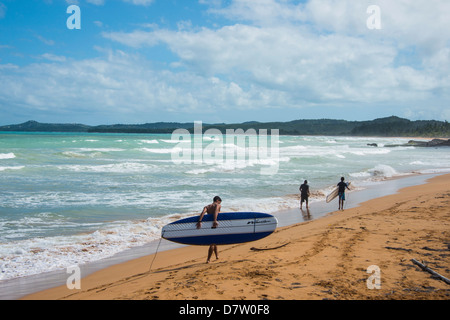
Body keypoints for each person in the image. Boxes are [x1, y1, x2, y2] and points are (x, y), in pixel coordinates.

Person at [196, 196, 222, 263]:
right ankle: (208, 259)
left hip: (208, 225)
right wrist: (215, 220)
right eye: (220, 201)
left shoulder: (207, 207)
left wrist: (199, 221)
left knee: (214, 240)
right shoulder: (218, 205)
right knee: (212, 242)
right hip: (214, 224)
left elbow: (203, 213)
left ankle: (217, 256)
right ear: (217, 200)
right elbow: (216, 211)